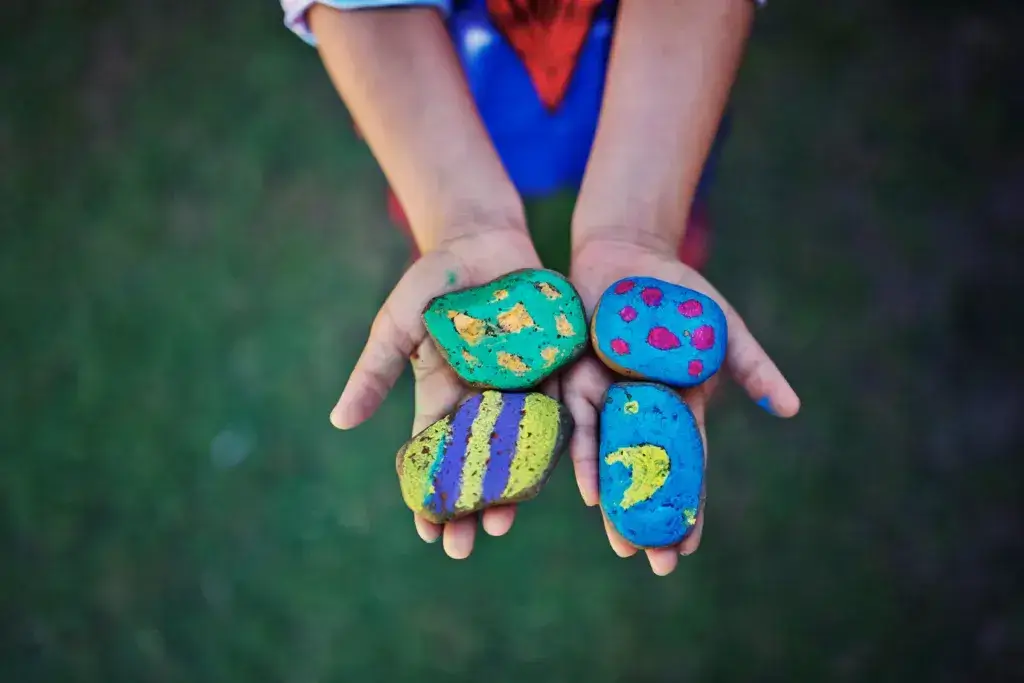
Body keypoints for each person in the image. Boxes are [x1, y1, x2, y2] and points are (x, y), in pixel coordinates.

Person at [280, 0, 800, 576]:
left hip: (655, 98)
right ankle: (466, 257)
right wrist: (455, 215)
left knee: (669, 252)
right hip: (441, 104)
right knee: (449, 255)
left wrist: (641, 222)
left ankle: (660, 333)